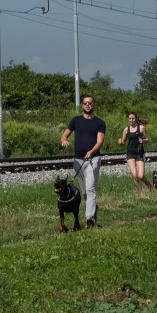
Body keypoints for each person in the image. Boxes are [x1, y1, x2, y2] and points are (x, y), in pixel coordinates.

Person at [61, 95, 106, 227]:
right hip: (78, 160)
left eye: (90, 103)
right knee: (85, 192)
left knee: (90, 188)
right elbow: (65, 134)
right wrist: (64, 140)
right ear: (82, 105)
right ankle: (93, 209)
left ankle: (89, 219)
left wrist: (91, 152)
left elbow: (100, 141)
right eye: (85, 103)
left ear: (93, 105)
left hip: (93, 159)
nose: (87, 105)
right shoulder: (76, 120)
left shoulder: (99, 123)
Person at [119, 112, 151, 196]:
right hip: (130, 153)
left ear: (136, 119)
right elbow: (123, 142)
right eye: (130, 118)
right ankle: (141, 193)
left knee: (140, 175)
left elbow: (147, 139)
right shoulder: (126, 129)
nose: (131, 120)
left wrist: (143, 140)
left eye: (133, 118)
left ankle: (148, 184)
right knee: (134, 175)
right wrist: (120, 142)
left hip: (139, 153)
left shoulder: (141, 128)